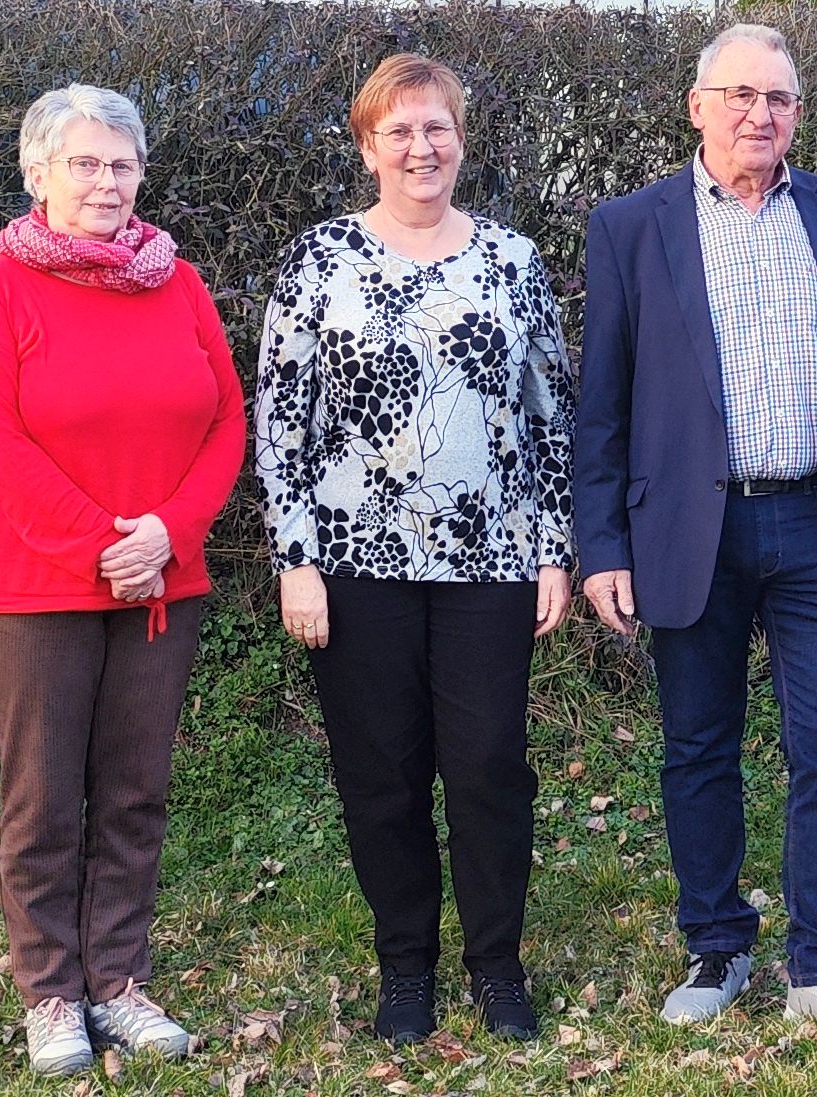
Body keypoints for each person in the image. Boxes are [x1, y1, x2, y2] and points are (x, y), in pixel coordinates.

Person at [575, 22, 817, 1047]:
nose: (758, 115)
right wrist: (602, 543)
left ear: (797, 115)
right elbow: (604, 401)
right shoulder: (632, 225)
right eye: (738, 95)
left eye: (777, 99)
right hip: (690, 526)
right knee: (697, 745)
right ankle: (717, 945)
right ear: (697, 106)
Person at [253, 53, 573, 1045]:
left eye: (436, 127)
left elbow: (553, 414)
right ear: (368, 146)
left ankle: (496, 963)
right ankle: (405, 968)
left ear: (460, 140)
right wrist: (294, 557)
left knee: (486, 766)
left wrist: (554, 548)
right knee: (379, 774)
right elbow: (281, 416)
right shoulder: (320, 260)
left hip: (491, 562)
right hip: (353, 565)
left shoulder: (513, 261)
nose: (420, 146)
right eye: (399, 130)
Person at [0, 84, 245, 1075]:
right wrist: (101, 545)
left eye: (122, 164)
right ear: (37, 174)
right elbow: (0, 441)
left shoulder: (181, 283)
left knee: (134, 792)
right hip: (34, 585)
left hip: (165, 580)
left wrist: (166, 532)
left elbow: (224, 421)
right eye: (85, 163)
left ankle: (116, 979)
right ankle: (49, 991)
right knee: (41, 799)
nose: (107, 181)